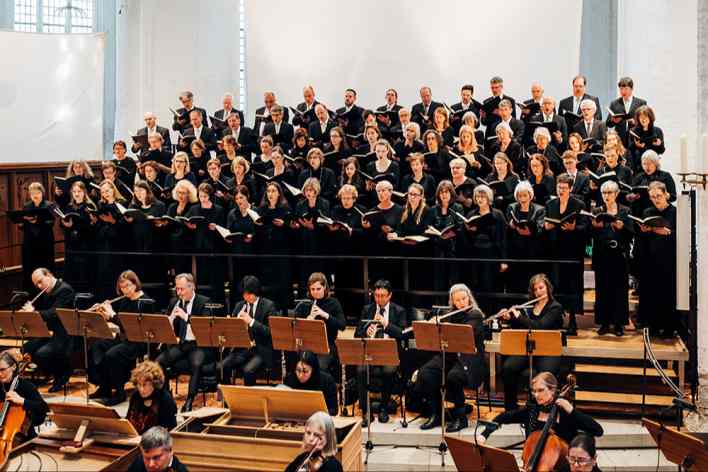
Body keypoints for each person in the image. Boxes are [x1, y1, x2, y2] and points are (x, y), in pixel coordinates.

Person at [414, 284, 486, 432]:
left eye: (464, 299)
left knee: (454, 377)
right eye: (457, 300)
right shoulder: (451, 314)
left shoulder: (475, 314)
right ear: (453, 301)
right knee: (426, 373)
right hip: (452, 356)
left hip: (470, 358)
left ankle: (461, 418)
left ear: (469, 298)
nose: (461, 303)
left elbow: (463, 334)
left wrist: (444, 325)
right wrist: (433, 325)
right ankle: (436, 414)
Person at [88, 270, 155, 405]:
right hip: (124, 339)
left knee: (112, 355)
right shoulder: (126, 300)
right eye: (122, 287)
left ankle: (120, 393)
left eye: (128, 286)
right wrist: (106, 316)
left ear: (135, 284)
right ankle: (104, 387)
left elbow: (131, 327)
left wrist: (112, 314)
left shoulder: (145, 302)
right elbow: (121, 325)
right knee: (96, 347)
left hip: (138, 341)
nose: (125, 290)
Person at [500, 274, 564, 411]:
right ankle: (511, 408)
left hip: (549, 350)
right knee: (508, 368)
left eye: (541, 288)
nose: (538, 292)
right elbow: (522, 326)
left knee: (545, 376)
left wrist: (519, 316)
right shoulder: (530, 306)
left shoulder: (555, 307)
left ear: (548, 288)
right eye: (535, 289)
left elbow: (540, 326)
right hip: (530, 347)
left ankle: (541, 410)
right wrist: (510, 318)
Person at [488, 372, 603, 446]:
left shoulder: (565, 412)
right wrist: (484, 435)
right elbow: (503, 417)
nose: (536, 395)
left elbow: (597, 430)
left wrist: (572, 410)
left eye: (540, 390)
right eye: (534, 391)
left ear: (552, 390)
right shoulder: (531, 410)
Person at [354, 279, 408, 425]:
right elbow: (357, 334)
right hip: (370, 351)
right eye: (376, 295)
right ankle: (366, 411)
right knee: (360, 370)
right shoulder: (367, 309)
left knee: (389, 370)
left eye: (383, 296)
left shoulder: (399, 311)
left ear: (389, 295)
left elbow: (403, 334)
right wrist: (366, 331)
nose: (379, 299)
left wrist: (386, 324)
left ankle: (384, 407)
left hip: (389, 352)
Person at [206, 275, 276, 385]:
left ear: (255, 292)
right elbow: (230, 330)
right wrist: (232, 323)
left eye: (248, 294)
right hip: (242, 349)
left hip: (260, 350)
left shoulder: (269, 306)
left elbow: (270, 332)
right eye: (244, 294)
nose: (245, 297)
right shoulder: (239, 306)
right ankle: (228, 395)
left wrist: (251, 321)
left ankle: (248, 396)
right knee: (221, 367)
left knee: (248, 370)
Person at [156, 273, 211, 412]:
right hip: (182, 344)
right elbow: (167, 328)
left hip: (198, 345)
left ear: (192, 287)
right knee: (159, 362)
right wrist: (169, 320)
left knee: (196, 364)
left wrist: (185, 316)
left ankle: (190, 400)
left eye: (182, 289)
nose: (179, 293)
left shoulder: (204, 302)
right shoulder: (174, 302)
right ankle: (166, 396)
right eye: (177, 289)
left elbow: (204, 327)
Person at [544, 174, 588, 335]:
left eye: (564, 187)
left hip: (572, 251)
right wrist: (546, 227)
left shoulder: (578, 204)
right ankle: (556, 318)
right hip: (555, 251)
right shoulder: (550, 203)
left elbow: (585, 226)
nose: (561, 190)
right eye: (559, 187)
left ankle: (573, 321)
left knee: (572, 286)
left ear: (570, 189)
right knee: (556, 284)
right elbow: (544, 224)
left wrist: (574, 228)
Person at [21, 268, 75, 392]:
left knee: (42, 354)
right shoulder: (48, 291)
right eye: (37, 285)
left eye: (40, 281)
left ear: (49, 275)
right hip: (50, 332)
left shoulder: (65, 290)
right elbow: (44, 314)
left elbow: (55, 313)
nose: (40, 286)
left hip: (64, 333)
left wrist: (34, 312)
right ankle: (52, 372)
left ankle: (62, 374)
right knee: (26, 348)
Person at [590, 181, 633, 336]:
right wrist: (595, 227)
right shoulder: (597, 211)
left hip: (619, 255)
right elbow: (589, 235)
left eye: (609, 193)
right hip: (602, 254)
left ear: (616, 194)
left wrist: (623, 228)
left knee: (619, 290)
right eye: (604, 193)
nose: (606, 196)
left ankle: (619, 324)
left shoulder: (625, 210)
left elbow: (631, 234)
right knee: (602, 290)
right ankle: (604, 323)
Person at [636, 182, 677, 338]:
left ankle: (668, 328)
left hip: (668, 260)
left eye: (658, 196)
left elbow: (681, 235)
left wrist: (668, 233)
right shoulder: (648, 212)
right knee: (651, 294)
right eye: (652, 197)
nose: (656, 199)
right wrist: (645, 231)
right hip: (650, 259)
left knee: (667, 294)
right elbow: (642, 238)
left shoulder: (674, 212)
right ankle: (652, 326)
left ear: (666, 194)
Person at [293, 273, 346, 371]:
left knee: (318, 367)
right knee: (301, 366)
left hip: (327, 345)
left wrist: (325, 315)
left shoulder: (333, 303)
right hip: (307, 345)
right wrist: (308, 319)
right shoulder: (304, 304)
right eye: (312, 289)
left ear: (324, 287)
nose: (315, 292)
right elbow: (295, 327)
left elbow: (342, 326)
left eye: (318, 289)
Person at [256, 182, 293, 313]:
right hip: (266, 250)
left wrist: (284, 224)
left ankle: (284, 310)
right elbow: (257, 232)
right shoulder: (261, 210)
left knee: (282, 280)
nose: (270, 194)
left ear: (279, 194)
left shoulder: (285, 209)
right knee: (268, 281)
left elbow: (292, 233)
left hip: (281, 250)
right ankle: (269, 310)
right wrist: (258, 225)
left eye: (273, 191)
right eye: (268, 191)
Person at [292, 177, 331, 297]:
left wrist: (313, 227)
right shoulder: (300, 204)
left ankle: (322, 296)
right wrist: (298, 224)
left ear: (316, 190)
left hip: (319, 243)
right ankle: (304, 297)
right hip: (304, 243)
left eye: (311, 190)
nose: (308, 192)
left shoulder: (324, 203)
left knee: (319, 272)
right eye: (306, 190)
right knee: (304, 273)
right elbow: (297, 219)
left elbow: (326, 222)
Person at [506, 182, 546, 293]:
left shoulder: (540, 209)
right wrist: (511, 226)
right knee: (516, 279)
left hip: (532, 249)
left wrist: (530, 232)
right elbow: (507, 229)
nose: (522, 198)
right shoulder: (511, 207)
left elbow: (541, 229)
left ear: (530, 195)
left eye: (525, 195)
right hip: (516, 248)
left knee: (531, 278)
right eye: (520, 196)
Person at [0, 350, 49, 442]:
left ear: (13, 367)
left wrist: (22, 401)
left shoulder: (26, 386)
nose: (0, 374)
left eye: (2, 370)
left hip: (22, 439)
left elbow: (44, 408)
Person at [18, 182, 55, 291]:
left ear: (42, 193)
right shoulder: (27, 206)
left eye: (37, 193)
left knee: (45, 268)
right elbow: (24, 225)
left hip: (44, 243)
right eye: (32, 193)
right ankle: (30, 293)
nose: (35, 195)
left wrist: (37, 221)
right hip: (30, 244)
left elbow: (51, 223)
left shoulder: (49, 205)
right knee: (29, 269)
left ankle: (48, 292)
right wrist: (20, 224)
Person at [126, 361, 177, 434]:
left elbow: (168, 429)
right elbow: (128, 421)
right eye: (139, 385)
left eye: (145, 385)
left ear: (154, 383)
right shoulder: (135, 396)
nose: (141, 389)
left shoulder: (165, 399)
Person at [283, 351, 338, 417]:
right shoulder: (290, 379)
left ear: (313, 370)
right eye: (298, 370)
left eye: (305, 371)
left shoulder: (327, 381)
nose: (301, 375)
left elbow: (333, 410)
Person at [606, 77, 647, 147]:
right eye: (621, 89)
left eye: (626, 89)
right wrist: (614, 121)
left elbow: (646, 121)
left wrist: (635, 122)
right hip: (620, 139)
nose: (623, 91)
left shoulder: (641, 103)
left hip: (635, 138)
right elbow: (608, 123)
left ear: (631, 89)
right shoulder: (614, 103)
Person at [627, 105, 665, 172]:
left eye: (645, 117)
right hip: (638, 165)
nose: (643, 119)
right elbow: (629, 150)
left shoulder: (657, 131)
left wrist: (659, 144)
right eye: (641, 117)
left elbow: (662, 150)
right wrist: (636, 145)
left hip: (653, 165)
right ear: (638, 119)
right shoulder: (633, 131)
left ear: (650, 117)